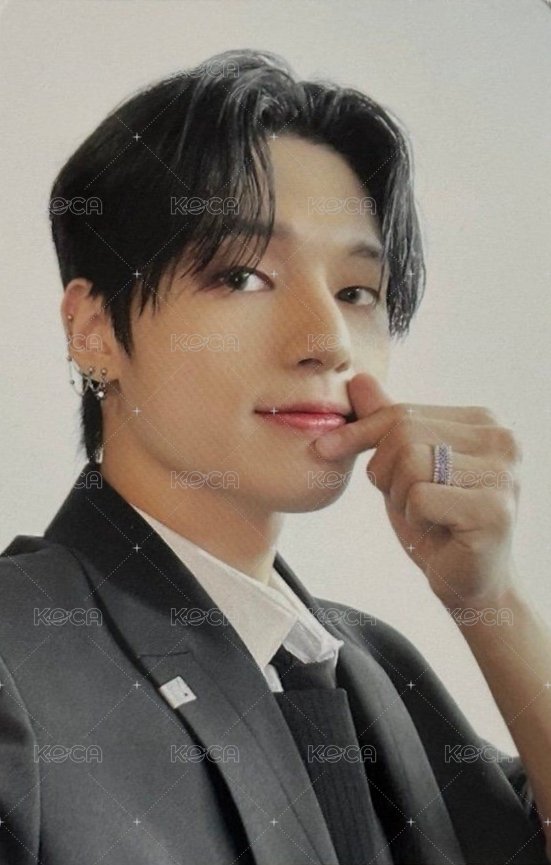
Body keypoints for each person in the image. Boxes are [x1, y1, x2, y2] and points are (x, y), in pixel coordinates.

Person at [1, 48, 549, 865]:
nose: (327, 339)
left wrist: (490, 598)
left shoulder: (380, 671)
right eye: (242, 276)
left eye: (356, 292)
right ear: (95, 330)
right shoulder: (20, 658)